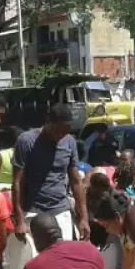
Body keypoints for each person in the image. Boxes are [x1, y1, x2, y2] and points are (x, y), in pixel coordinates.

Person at [11, 104, 90, 244]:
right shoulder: (26, 141)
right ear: (48, 123)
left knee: (63, 259)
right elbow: (17, 182)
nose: (61, 136)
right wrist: (20, 220)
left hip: (61, 211)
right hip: (33, 212)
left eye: (65, 132)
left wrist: (84, 218)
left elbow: (76, 182)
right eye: (58, 131)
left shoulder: (70, 142)